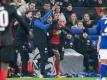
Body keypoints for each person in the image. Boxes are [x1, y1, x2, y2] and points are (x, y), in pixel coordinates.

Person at [0, 0, 29, 80]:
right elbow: (21, 20)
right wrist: (28, 31)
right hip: (6, 40)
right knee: (4, 63)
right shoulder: (11, 8)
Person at [96, 7, 107, 80]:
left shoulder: (100, 21)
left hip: (104, 44)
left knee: (103, 62)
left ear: (103, 12)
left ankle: (103, 77)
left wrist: (98, 44)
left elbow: (97, 31)